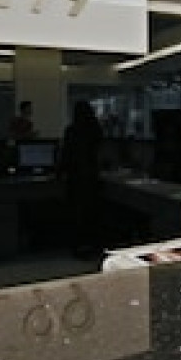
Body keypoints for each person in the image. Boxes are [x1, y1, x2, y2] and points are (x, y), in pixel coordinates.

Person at [59, 100, 103, 258]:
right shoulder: (96, 129)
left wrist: (59, 173)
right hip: (92, 177)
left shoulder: (71, 131)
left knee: (76, 215)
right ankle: (94, 246)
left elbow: (66, 155)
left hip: (75, 178)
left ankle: (78, 247)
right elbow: (99, 152)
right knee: (92, 214)